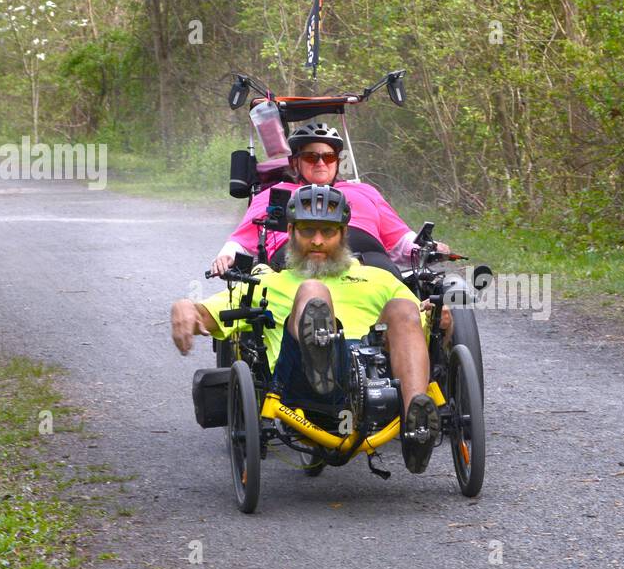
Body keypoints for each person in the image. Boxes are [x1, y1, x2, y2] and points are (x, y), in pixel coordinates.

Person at [173, 184, 449, 472]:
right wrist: (183, 307)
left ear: (343, 234)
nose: (317, 241)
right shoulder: (269, 283)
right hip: (299, 380)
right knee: (313, 291)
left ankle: (416, 424)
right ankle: (323, 362)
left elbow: (421, 323)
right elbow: (203, 315)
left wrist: (442, 317)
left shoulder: (378, 279)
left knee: (404, 307)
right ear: (291, 232)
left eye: (328, 232)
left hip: (374, 373)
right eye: (307, 231)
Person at [208, 120, 450, 277]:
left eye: (329, 157)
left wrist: (427, 246)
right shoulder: (275, 193)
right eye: (312, 157)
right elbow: (241, 240)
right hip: (297, 259)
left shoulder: (365, 192)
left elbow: (400, 240)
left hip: (367, 257)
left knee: (406, 296)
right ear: (295, 162)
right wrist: (227, 255)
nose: (322, 163)